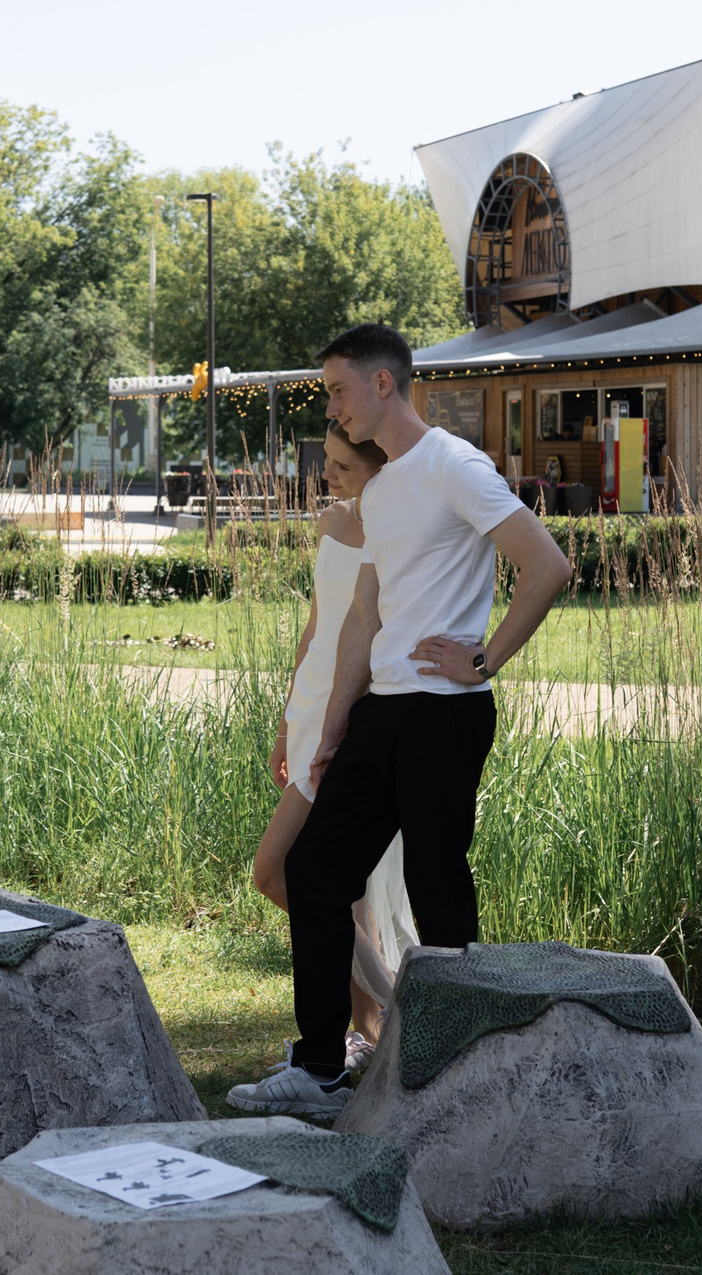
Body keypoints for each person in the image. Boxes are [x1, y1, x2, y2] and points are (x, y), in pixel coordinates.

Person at [229, 323, 574, 1116]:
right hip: (382, 713)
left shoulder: (454, 465)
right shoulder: (381, 490)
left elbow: (547, 566)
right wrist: (335, 722)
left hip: (445, 715)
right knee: (315, 872)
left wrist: (483, 659)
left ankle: (457, 1070)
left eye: (340, 388)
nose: (334, 406)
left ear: (384, 384)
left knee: (437, 883)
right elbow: (361, 618)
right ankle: (319, 1071)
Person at [248, 421, 419, 1065]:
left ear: (378, 468)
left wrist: (337, 721)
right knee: (346, 887)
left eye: (343, 465)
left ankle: (398, 999)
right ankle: (368, 1027)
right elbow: (317, 626)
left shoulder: (400, 528)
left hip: (352, 717)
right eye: (328, 461)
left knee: (274, 871)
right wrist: (288, 720)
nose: (329, 473)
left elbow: (379, 631)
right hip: (312, 709)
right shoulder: (329, 521)